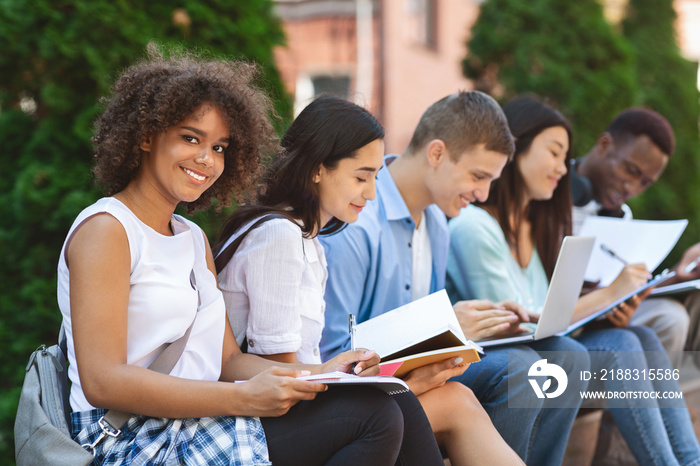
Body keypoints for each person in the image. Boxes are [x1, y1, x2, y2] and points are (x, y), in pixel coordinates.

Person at [58, 47, 438, 465]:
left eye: (219, 147)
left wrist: (329, 374)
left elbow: (230, 360)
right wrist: (240, 398)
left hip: (196, 419)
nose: (207, 159)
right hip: (131, 439)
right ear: (146, 136)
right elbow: (103, 381)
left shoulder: (189, 238)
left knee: (390, 400)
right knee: (374, 418)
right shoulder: (107, 230)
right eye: (191, 138)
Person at [214, 95, 523, 466]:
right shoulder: (280, 236)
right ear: (317, 168)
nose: (372, 192)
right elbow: (283, 375)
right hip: (259, 419)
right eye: (361, 177)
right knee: (394, 409)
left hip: (297, 401)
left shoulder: (308, 240)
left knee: (409, 402)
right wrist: (397, 380)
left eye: (375, 177)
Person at [319, 91, 590, 466]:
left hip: (410, 378)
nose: (483, 194)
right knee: (519, 372)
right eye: (479, 176)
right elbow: (333, 356)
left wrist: (475, 325)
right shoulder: (357, 220)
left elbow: (419, 344)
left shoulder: (437, 225)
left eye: (491, 181)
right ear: (437, 154)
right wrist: (439, 327)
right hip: (360, 397)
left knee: (566, 356)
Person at [447, 95, 700, 466]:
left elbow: (543, 318)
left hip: (546, 352)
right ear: (514, 149)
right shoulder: (474, 226)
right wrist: (610, 293)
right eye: (554, 153)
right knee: (618, 348)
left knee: (640, 337)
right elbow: (521, 324)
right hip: (501, 361)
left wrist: (617, 299)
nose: (563, 168)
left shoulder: (530, 229)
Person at [571, 108, 691, 367]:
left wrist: (620, 307)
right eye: (631, 170)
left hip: (593, 323)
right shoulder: (551, 193)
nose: (631, 188)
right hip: (557, 323)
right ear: (604, 144)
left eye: (645, 182)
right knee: (629, 343)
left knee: (671, 317)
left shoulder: (622, 217)